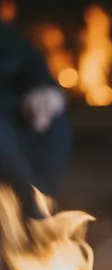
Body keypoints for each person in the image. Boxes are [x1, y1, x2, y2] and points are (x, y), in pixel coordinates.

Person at [0, 21, 71, 220]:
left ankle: (40, 202)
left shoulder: (7, 36)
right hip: (8, 109)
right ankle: (29, 209)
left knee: (54, 121)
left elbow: (31, 62)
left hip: (15, 109)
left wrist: (44, 89)